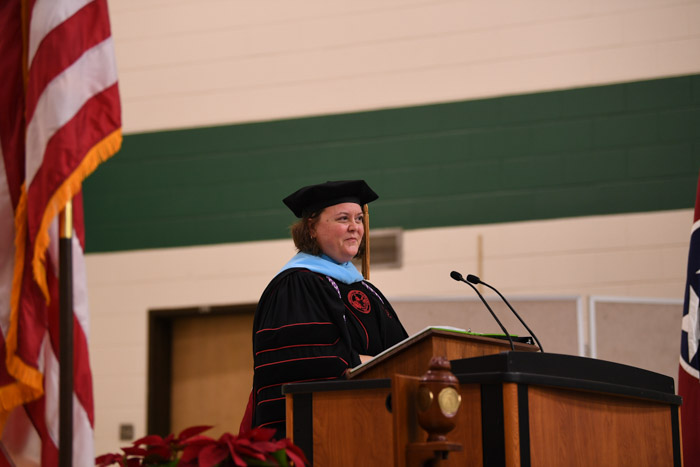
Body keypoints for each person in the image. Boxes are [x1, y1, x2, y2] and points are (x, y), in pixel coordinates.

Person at [248, 180, 408, 438]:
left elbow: (404, 352)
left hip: (377, 426)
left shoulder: (367, 291)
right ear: (311, 227)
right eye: (343, 218)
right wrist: (364, 364)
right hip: (323, 434)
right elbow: (302, 363)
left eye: (358, 218)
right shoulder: (296, 285)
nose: (355, 227)